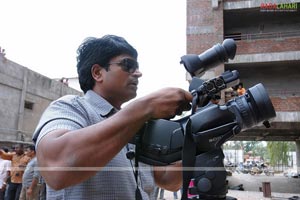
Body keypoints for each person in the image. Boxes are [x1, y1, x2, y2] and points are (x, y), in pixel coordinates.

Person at [32, 35, 193, 199]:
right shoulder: (71, 107)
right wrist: (146, 106)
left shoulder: (135, 121)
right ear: (97, 73)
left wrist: (200, 134)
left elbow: (167, 180)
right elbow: (56, 168)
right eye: (128, 65)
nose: (138, 73)